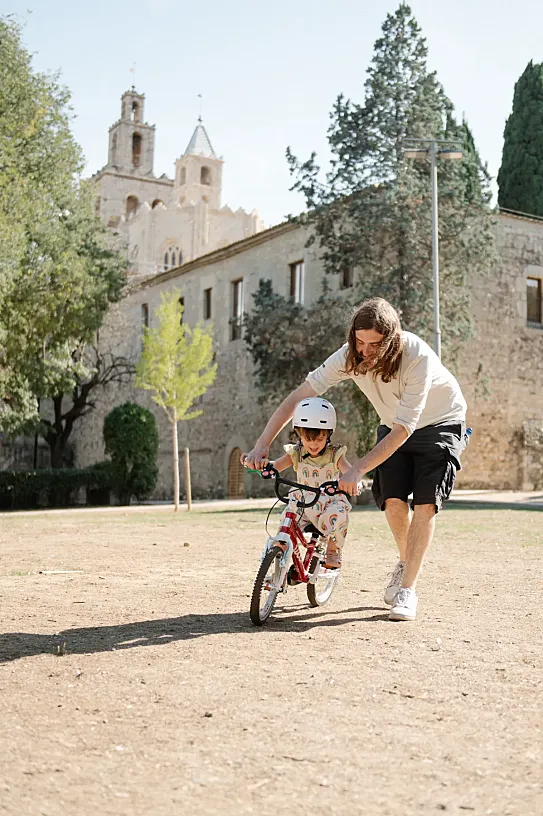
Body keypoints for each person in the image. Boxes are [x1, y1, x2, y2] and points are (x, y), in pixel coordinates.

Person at [243, 297, 467, 622]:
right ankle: (406, 561)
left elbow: (405, 429)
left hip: (440, 422)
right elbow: (299, 396)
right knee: (392, 501)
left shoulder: (415, 356)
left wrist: (359, 467)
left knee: (425, 502)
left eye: (374, 344)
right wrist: (263, 444)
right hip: (394, 425)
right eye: (359, 342)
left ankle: (407, 589)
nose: (365, 351)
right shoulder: (350, 356)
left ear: (391, 339)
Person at [265, 397, 352, 570]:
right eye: (308, 439)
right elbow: (277, 465)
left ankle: (333, 550)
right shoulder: (296, 453)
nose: (313, 444)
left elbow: (349, 472)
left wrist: (349, 481)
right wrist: (267, 467)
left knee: (339, 514)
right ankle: (281, 545)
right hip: (302, 501)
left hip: (327, 501)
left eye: (319, 439)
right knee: (288, 518)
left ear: (328, 434)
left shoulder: (334, 454)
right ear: (298, 434)